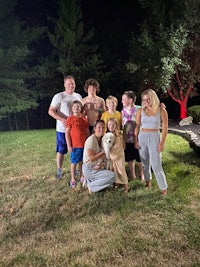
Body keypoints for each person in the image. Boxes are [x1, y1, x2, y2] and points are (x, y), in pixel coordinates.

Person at [134, 89, 168, 195]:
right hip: (142, 137)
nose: (147, 101)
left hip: (155, 136)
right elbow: (137, 126)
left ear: (153, 98)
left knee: (156, 164)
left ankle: (163, 188)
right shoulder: (140, 111)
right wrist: (135, 140)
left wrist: (161, 143)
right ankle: (148, 182)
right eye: (144, 99)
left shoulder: (161, 110)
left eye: (149, 99)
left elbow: (165, 127)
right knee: (145, 163)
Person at [48, 75, 82, 179]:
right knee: (61, 150)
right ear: (64, 85)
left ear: (75, 84)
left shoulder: (78, 96)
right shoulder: (59, 96)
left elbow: (81, 110)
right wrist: (61, 119)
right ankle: (59, 170)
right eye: (68, 84)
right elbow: (51, 111)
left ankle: (76, 169)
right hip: (63, 129)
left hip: (76, 129)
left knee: (76, 149)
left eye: (72, 83)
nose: (71, 85)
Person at [82, 120, 116, 193]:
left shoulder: (102, 139)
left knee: (109, 179)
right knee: (113, 176)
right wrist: (103, 152)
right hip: (90, 168)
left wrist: (102, 164)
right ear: (94, 128)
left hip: (97, 165)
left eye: (103, 127)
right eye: (99, 127)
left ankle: (90, 180)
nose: (101, 129)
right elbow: (91, 158)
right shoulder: (91, 140)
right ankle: (91, 186)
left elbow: (103, 157)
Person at [65, 100, 90, 189]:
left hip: (83, 145)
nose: (76, 108)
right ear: (72, 108)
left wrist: (88, 144)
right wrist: (69, 145)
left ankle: (82, 176)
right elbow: (67, 133)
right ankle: (72, 179)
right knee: (74, 162)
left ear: (81, 108)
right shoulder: (70, 119)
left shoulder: (84, 120)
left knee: (82, 162)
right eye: (74, 106)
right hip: (74, 146)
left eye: (78, 106)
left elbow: (87, 132)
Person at [121, 91, 144, 181]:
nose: (122, 101)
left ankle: (142, 175)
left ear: (130, 100)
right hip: (127, 139)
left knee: (139, 158)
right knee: (130, 158)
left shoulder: (139, 109)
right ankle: (133, 175)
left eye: (123, 99)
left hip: (138, 138)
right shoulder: (123, 111)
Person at [107, 118, 129, 193]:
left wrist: (111, 152)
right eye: (109, 125)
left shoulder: (118, 135)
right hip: (112, 156)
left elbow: (118, 147)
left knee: (121, 170)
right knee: (114, 170)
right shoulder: (108, 134)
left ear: (116, 126)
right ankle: (117, 183)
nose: (111, 126)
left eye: (113, 125)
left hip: (118, 155)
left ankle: (126, 186)